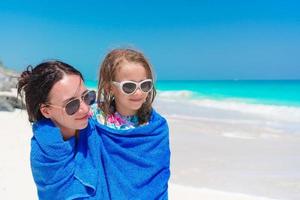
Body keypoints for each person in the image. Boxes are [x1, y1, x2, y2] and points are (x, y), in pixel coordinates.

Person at [17, 60, 108, 199]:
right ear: (46, 111)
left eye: (87, 96)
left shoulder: (98, 124)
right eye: (72, 105)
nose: (85, 108)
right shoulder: (45, 155)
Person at [92, 48, 171, 199]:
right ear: (110, 88)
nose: (139, 93)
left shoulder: (157, 127)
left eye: (145, 85)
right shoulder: (94, 121)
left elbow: (159, 179)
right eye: (129, 86)